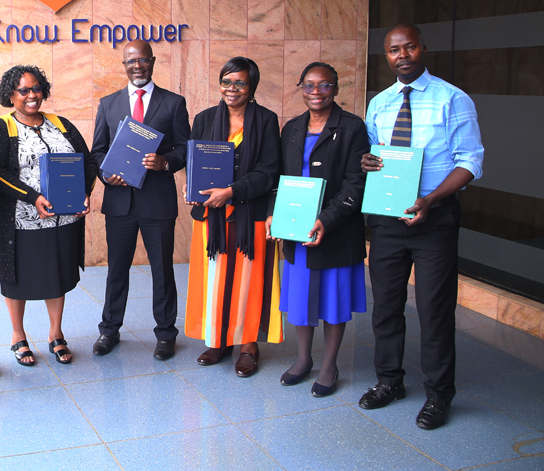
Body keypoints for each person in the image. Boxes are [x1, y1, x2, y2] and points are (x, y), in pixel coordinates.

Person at [358, 24, 484, 430]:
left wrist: (430, 200)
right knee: (387, 308)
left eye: (409, 47)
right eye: (394, 50)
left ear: (423, 49)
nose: (403, 55)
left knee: (434, 310)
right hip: (388, 220)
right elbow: (374, 154)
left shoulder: (453, 99)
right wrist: (367, 162)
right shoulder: (378, 103)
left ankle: (438, 395)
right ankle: (389, 381)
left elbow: (470, 162)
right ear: (387, 56)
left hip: (435, 219)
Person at [266, 63, 368, 397]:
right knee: (300, 297)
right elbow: (279, 180)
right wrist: (273, 215)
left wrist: (327, 218)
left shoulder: (352, 128)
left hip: (335, 228)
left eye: (324, 86)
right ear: (301, 88)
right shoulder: (292, 129)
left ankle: (329, 365)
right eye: (309, 85)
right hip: (296, 229)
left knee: (333, 299)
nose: (316, 92)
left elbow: (357, 183)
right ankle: (303, 359)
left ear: (336, 89)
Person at [0, 65, 97, 366]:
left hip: (63, 220)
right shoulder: (1, 126)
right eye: (24, 90)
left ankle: (56, 334)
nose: (31, 95)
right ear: (11, 95)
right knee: (16, 278)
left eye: (36, 88)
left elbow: (87, 161)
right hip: (21, 221)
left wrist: (84, 192)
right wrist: (33, 197)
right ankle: (18, 336)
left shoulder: (60, 124)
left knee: (56, 276)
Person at [90, 39, 190, 360]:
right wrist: (107, 175)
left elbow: (184, 149)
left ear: (153, 61)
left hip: (157, 202)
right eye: (131, 61)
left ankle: (165, 334)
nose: (137, 66)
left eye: (142, 60)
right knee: (117, 269)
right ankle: (109, 330)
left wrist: (166, 163)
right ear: (124, 65)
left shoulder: (173, 103)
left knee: (162, 270)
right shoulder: (108, 104)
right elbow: (98, 151)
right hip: (119, 202)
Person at [183, 56, 282, 376]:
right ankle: (218, 340)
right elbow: (194, 162)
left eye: (239, 82)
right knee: (214, 280)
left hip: (248, 214)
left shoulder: (266, 120)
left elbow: (269, 171)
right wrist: (192, 186)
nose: (232, 88)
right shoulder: (204, 118)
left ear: (251, 86)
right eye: (227, 81)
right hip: (211, 217)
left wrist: (233, 191)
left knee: (247, 283)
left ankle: (248, 344)